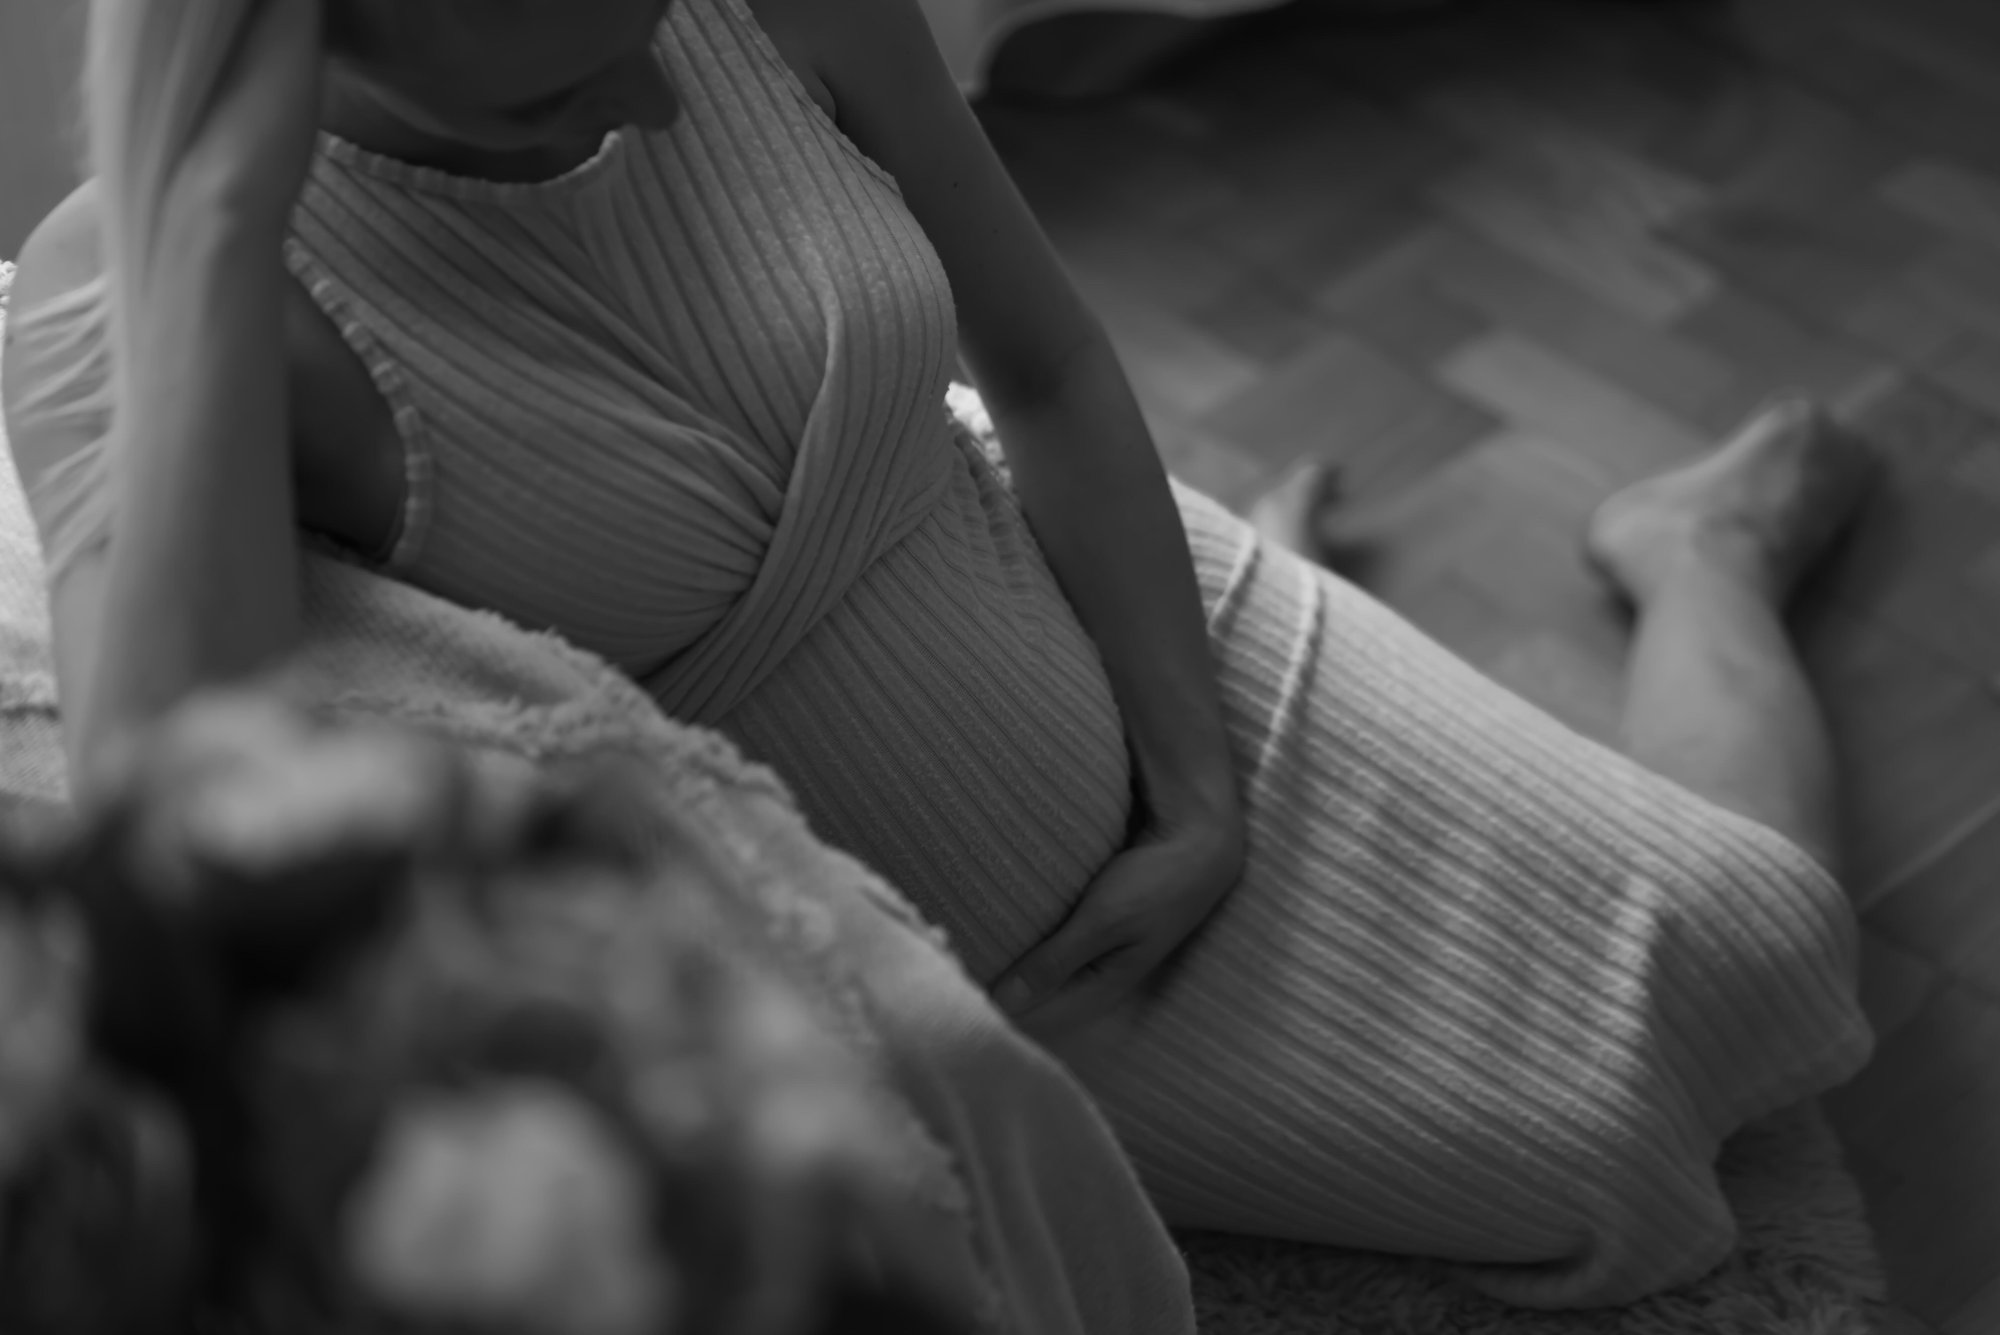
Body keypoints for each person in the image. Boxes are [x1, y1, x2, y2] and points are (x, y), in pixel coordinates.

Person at [1, 0, 1875, 1308]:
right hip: (998, 967)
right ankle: (1668, 569)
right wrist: (209, 224)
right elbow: (175, 809)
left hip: (1156, 641)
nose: (661, 91)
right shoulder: (143, 304)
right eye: (552, 92)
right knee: (1604, 1163)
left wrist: (1197, 782)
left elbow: (1042, 366)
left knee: (1763, 932)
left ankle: (1692, 556)